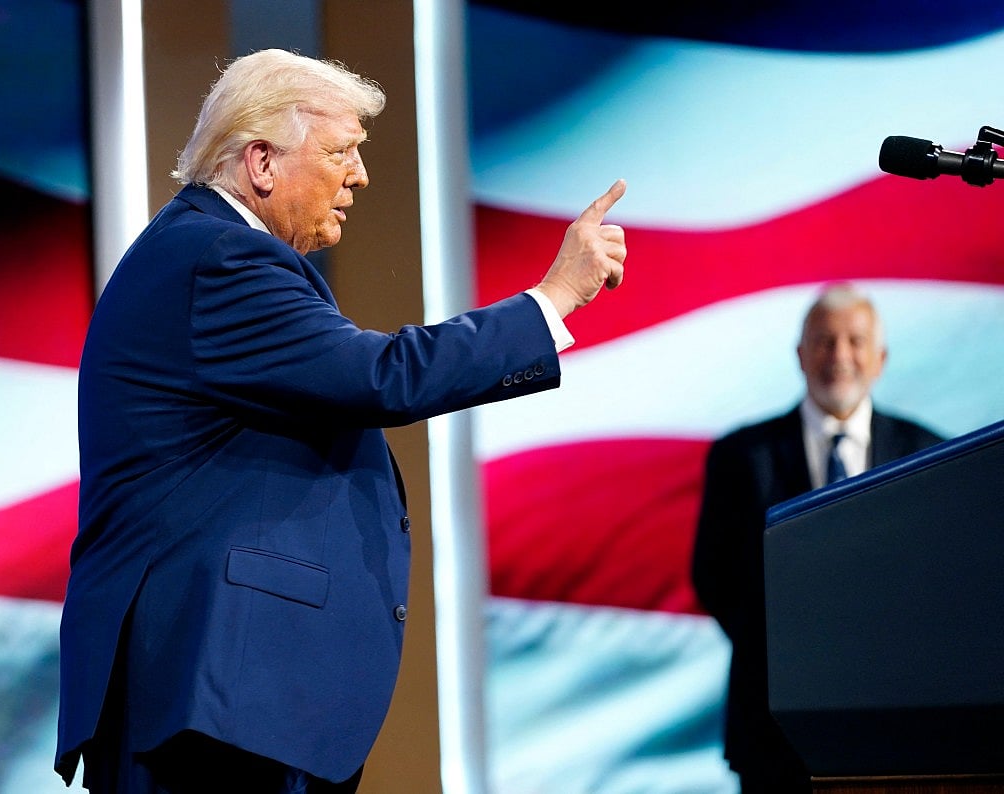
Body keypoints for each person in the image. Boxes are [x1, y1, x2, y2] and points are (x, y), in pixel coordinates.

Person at [55, 48, 628, 793]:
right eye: (339, 153)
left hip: (224, 695)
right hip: (209, 697)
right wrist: (553, 299)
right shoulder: (219, 258)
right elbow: (381, 376)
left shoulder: (203, 251)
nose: (358, 176)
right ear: (261, 162)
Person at [690, 283, 944, 793]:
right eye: (825, 341)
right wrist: (792, 651)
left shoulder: (929, 454)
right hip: (772, 734)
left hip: (900, 731)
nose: (839, 356)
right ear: (800, 355)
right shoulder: (741, 457)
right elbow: (713, 578)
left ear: (880, 359)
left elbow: (939, 583)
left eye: (855, 341)